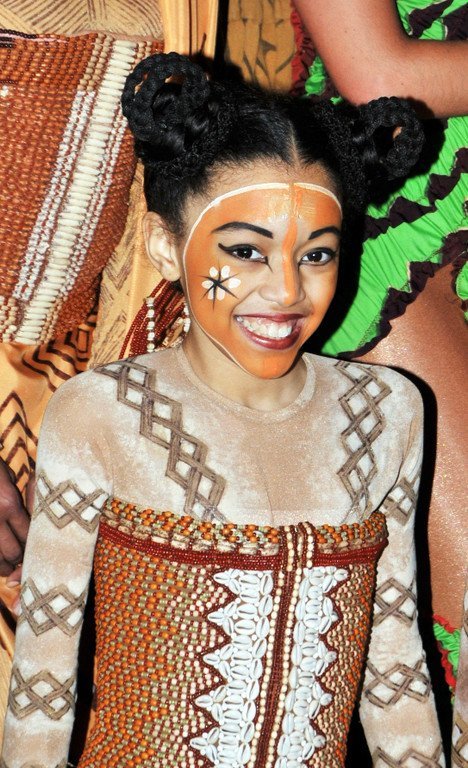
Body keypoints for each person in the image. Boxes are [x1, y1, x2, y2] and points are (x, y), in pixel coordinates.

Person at [1, 53, 444, 767]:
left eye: (318, 255)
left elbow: (396, 671)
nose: (286, 291)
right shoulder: (100, 413)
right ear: (165, 247)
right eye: (245, 251)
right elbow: (43, 686)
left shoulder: (387, 411)